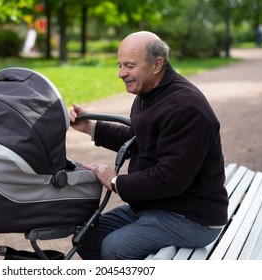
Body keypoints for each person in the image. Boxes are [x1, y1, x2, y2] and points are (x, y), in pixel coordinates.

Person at [69, 31, 229, 260]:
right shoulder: (151, 94)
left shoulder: (185, 108)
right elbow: (139, 140)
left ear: (157, 64)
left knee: (115, 248)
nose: (121, 73)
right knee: (86, 237)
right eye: (120, 65)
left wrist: (115, 181)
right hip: (154, 207)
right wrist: (90, 127)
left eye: (130, 66)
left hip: (191, 218)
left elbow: (170, 178)